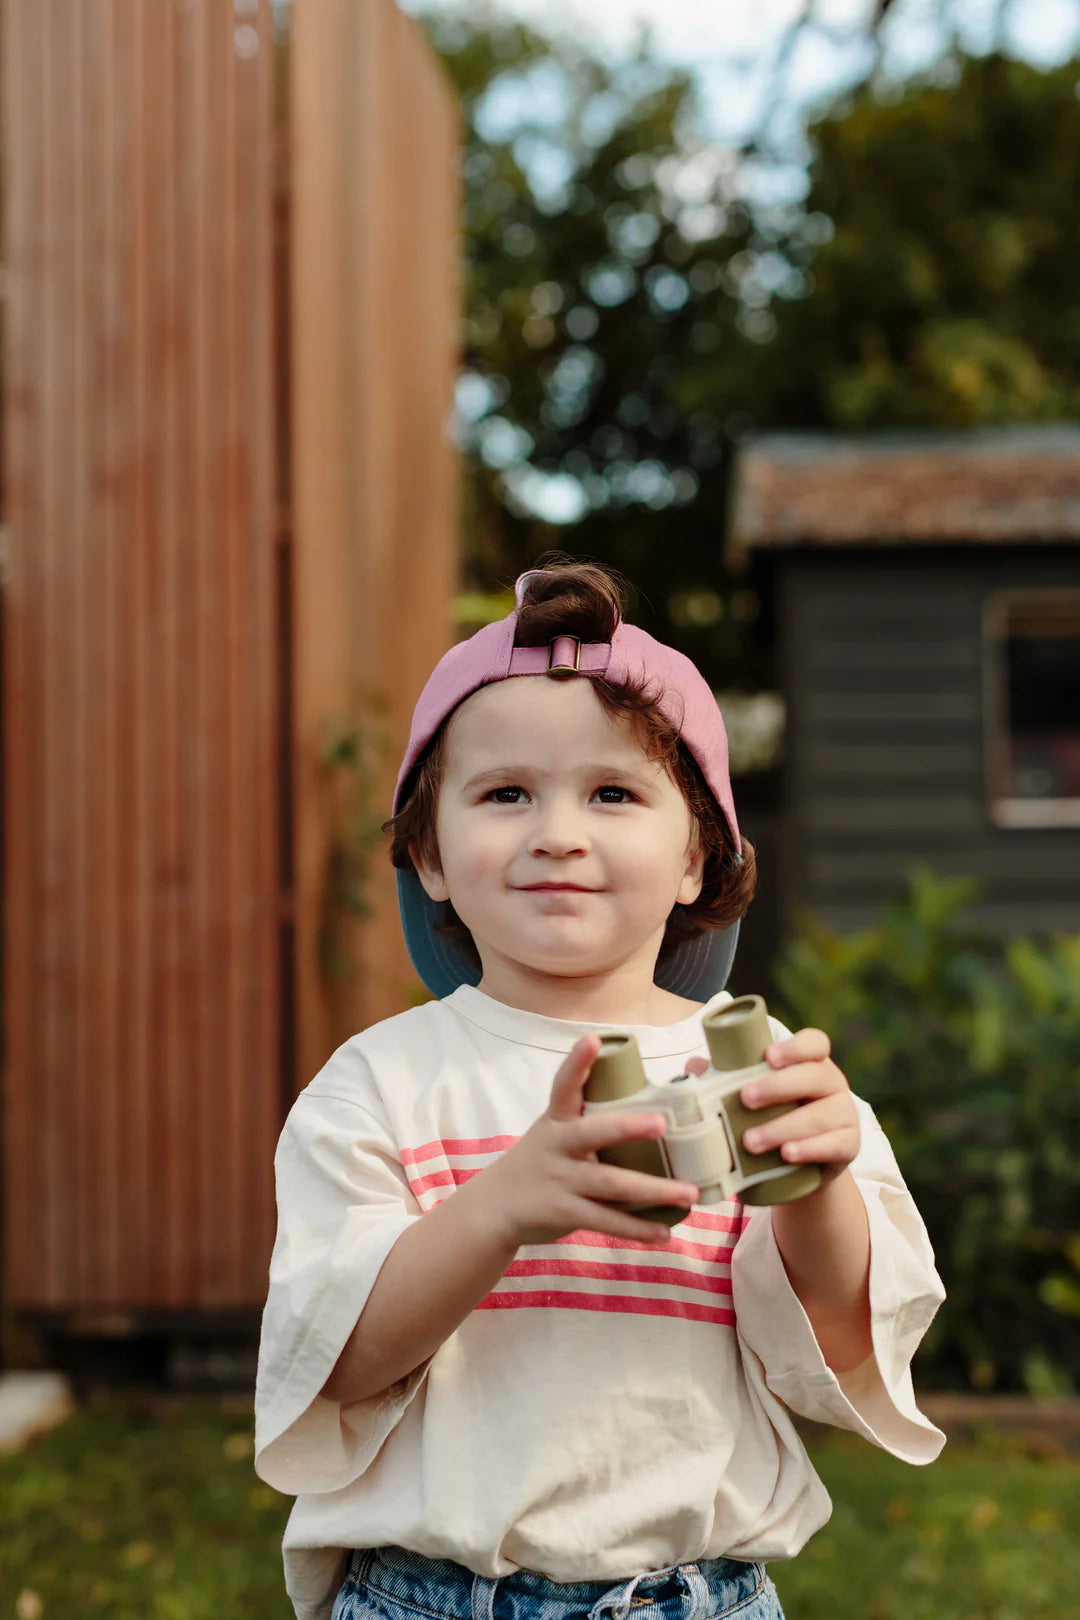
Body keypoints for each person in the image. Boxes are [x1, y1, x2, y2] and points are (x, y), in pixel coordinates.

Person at [254, 562, 945, 1620]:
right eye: (505, 794)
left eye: (613, 792)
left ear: (696, 859)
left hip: (698, 1596)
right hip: (431, 1597)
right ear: (429, 856)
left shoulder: (760, 1079)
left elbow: (842, 1349)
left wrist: (815, 1191)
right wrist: (499, 1208)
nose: (558, 833)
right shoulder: (379, 1086)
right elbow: (334, 1361)